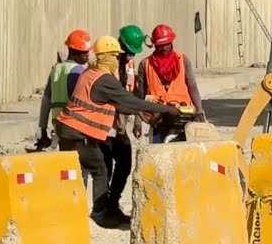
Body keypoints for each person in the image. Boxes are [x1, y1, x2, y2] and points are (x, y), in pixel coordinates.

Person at [55, 36, 179, 228]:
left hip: (72, 129)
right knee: (99, 169)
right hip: (78, 132)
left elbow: (117, 103)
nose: (118, 59)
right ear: (106, 56)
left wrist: (139, 112)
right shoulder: (103, 79)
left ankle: (98, 210)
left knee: (91, 168)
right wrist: (166, 110)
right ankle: (100, 213)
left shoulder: (91, 72)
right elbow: (129, 100)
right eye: (115, 56)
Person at [97, 24, 146, 222]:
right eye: (127, 51)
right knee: (105, 166)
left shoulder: (129, 65)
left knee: (125, 163)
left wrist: (137, 121)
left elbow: (133, 94)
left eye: (133, 52)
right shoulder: (107, 65)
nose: (130, 55)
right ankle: (102, 208)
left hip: (119, 123)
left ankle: (112, 203)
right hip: (103, 122)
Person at [135, 24, 205, 143]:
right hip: (158, 119)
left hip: (183, 118)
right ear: (155, 45)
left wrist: (199, 111)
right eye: (161, 45)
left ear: (172, 42)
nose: (164, 48)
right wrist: (138, 121)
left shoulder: (183, 60)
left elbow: (192, 86)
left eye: (167, 44)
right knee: (159, 152)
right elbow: (140, 97)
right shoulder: (145, 64)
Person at [36, 29, 92, 149]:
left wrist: (43, 129)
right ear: (74, 52)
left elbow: (46, 100)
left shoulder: (56, 69)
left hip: (58, 124)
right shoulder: (78, 72)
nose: (88, 56)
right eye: (85, 53)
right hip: (73, 123)